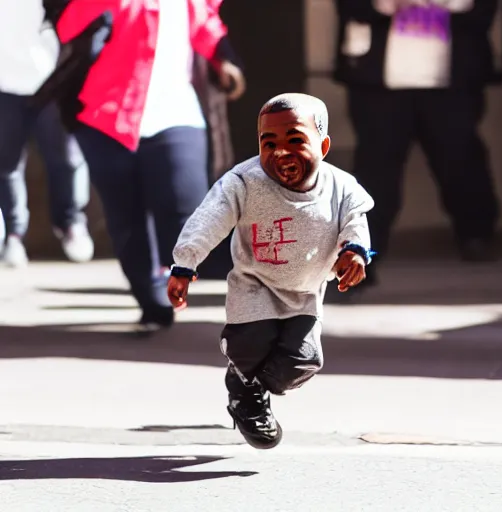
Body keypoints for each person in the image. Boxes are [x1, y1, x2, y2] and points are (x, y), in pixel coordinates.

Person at [166, 93, 374, 449]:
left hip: (305, 291)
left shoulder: (341, 186)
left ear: (322, 145)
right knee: (251, 345)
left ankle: (248, 389)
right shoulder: (244, 182)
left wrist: (355, 252)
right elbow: (208, 221)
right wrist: (185, 263)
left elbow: (355, 221)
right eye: (269, 142)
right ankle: (245, 388)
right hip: (255, 284)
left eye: (295, 140)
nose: (281, 153)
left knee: (303, 360)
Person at [42, 0, 246, 333]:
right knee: (126, 217)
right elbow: (69, 25)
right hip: (107, 115)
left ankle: (175, 277)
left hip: (176, 113)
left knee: (186, 203)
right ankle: (151, 301)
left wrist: (224, 59)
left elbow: (203, 23)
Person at [334, 0, 500, 283]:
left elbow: (483, 11)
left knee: (460, 159)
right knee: (376, 168)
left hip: (451, 79)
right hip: (380, 81)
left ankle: (476, 235)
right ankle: (363, 251)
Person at [0, 3, 94, 268]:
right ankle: (14, 235)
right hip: (5, 85)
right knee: (6, 164)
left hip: (51, 79)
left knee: (66, 157)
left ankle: (71, 222)